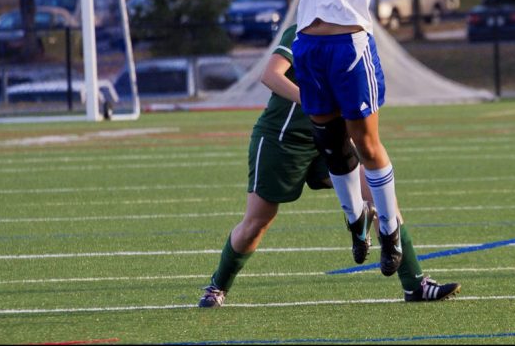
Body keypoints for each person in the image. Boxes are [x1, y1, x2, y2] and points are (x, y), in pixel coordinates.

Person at [202, 0, 495, 287]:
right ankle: (356, 223)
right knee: (334, 147)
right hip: (310, 49)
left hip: (348, 47)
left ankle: (390, 231)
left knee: (366, 142)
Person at [198, 23, 461, 308]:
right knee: (257, 222)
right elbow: (270, 75)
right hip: (283, 139)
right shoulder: (304, 27)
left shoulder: (354, 33)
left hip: (330, 139)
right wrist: (313, 102)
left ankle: (415, 285)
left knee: (379, 197)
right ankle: (217, 287)